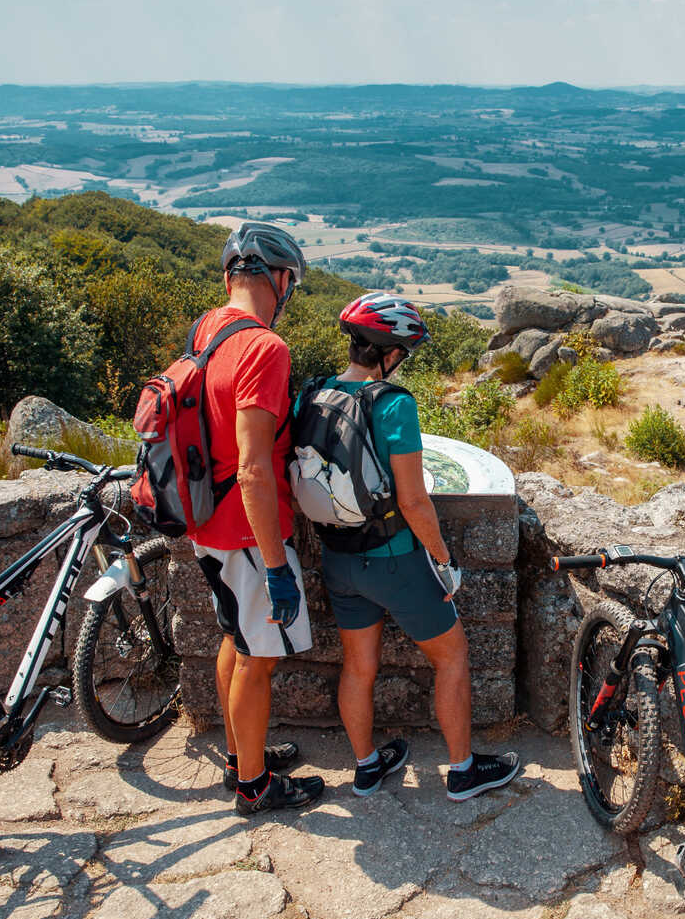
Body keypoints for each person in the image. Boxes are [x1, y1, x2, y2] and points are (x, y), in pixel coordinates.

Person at [309, 292, 522, 801]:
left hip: (338, 557)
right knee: (452, 657)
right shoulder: (394, 404)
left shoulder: (314, 394)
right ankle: (464, 770)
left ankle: (365, 767)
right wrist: (444, 562)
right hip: (395, 561)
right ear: (390, 351)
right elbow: (414, 501)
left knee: (359, 665)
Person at [190, 222, 325, 816]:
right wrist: (276, 565)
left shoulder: (208, 328)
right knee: (258, 658)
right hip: (246, 530)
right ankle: (256, 786)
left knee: (235, 639)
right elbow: (253, 468)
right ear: (282, 280)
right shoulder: (266, 348)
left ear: (228, 278)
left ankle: (240, 755)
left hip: (203, 520)